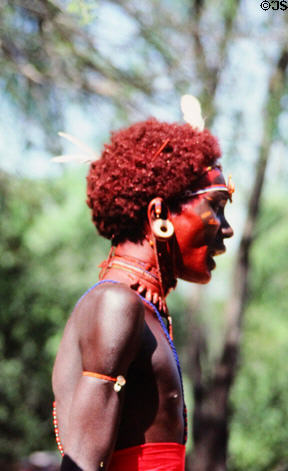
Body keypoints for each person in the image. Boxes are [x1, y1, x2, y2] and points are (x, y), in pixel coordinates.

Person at [51, 113, 234, 471]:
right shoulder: (115, 303)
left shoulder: (145, 310)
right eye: (216, 208)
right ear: (159, 213)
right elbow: (81, 465)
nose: (226, 230)